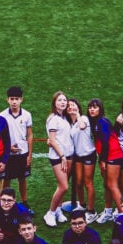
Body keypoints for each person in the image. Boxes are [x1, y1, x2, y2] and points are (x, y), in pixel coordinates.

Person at [44, 91, 73, 227]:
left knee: (62, 185)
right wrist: (61, 156)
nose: (63, 102)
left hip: (68, 155)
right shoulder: (53, 119)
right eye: (60, 100)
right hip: (58, 156)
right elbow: (52, 140)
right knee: (64, 187)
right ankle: (50, 213)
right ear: (54, 103)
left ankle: (58, 210)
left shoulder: (65, 117)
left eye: (64, 100)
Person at [3, 86, 33, 208]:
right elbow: (1, 137)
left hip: (23, 153)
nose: (14, 101)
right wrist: (8, 148)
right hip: (8, 154)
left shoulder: (27, 115)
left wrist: (29, 155)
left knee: (22, 178)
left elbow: (30, 135)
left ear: (21, 99)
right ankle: (4, 200)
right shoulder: (2, 116)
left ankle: (24, 202)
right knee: (6, 179)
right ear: (7, 100)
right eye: (12, 99)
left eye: (17, 99)